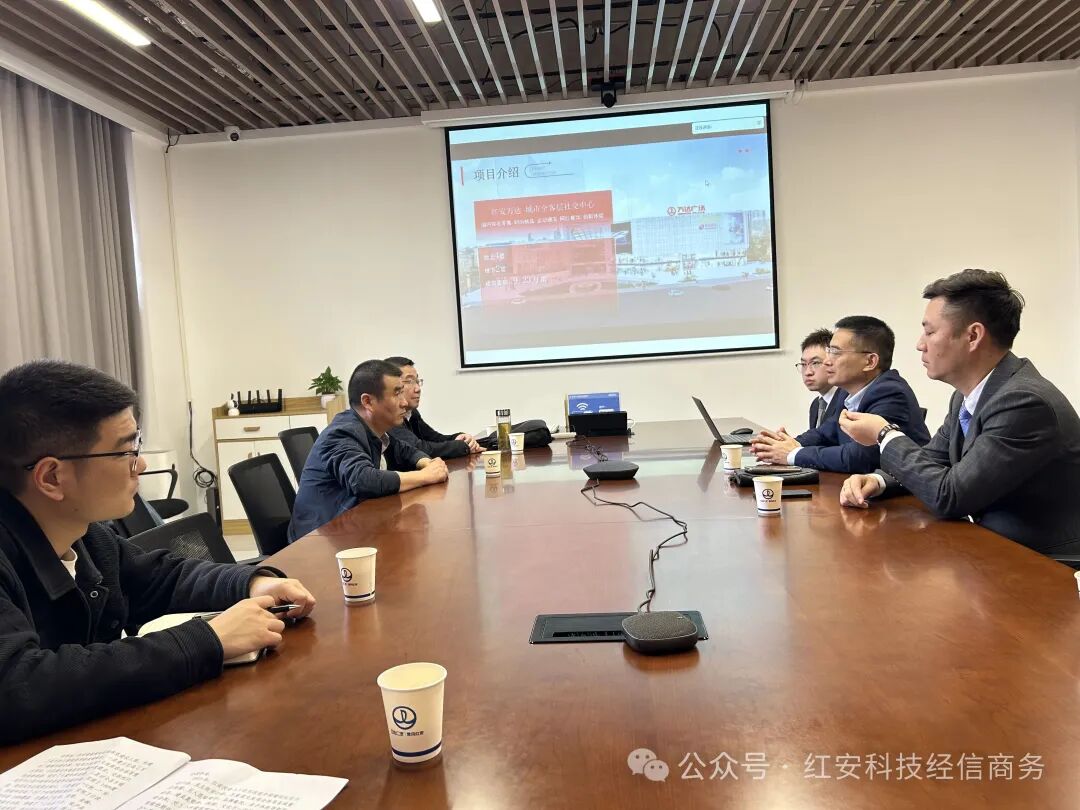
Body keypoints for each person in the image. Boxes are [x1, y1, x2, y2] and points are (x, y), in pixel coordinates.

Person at [0, 360, 315, 745]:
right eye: (125, 451)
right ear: (52, 477)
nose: (142, 464)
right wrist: (207, 640)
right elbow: (18, 686)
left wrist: (252, 583)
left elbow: (161, 577)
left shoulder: (88, 537)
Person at [839, 269, 1080, 556]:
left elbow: (950, 496)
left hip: (1045, 562)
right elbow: (934, 459)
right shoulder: (967, 396)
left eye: (930, 332)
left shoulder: (1024, 402)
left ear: (973, 336)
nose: (920, 344)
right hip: (995, 548)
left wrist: (884, 434)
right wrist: (878, 481)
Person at [289, 359, 448, 541]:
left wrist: (428, 463)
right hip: (318, 540)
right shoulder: (342, 433)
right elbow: (363, 480)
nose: (404, 402)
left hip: (352, 530)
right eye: (397, 394)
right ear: (368, 401)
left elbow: (404, 450)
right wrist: (425, 476)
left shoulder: (373, 430)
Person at [752, 316, 930, 473]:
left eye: (836, 353)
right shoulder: (846, 393)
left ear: (870, 361)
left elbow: (860, 457)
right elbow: (825, 433)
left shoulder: (890, 393)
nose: (827, 361)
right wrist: (787, 444)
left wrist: (792, 454)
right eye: (829, 351)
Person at [384, 356, 480, 459]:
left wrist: (461, 438)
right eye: (409, 381)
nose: (418, 389)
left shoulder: (412, 413)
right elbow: (418, 448)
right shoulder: (389, 414)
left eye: (417, 381)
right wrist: (462, 446)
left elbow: (435, 438)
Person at [797, 328, 846, 430]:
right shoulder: (816, 405)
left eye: (815, 363)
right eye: (803, 364)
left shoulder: (847, 402)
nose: (808, 372)